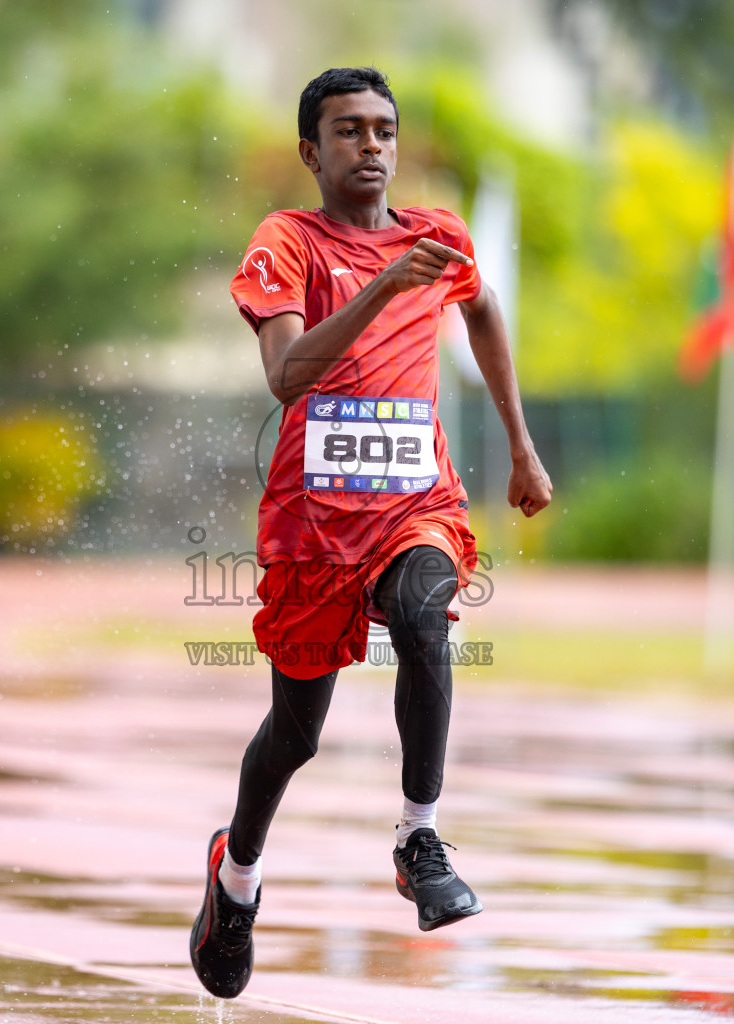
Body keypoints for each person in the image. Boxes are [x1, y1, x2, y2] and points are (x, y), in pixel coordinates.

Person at [190, 66, 553, 999]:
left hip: (413, 505)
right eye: (349, 131)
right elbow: (285, 376)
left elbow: (483, 311)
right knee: (296, 733)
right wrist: (384, 287)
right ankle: (237, 877)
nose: (372, 146)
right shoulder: (287, 242)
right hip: (312, 524)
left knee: (428, 616)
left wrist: (520, 444)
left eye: (385, 130)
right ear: (313, 152)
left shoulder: (441, 237)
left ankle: (419, 837)